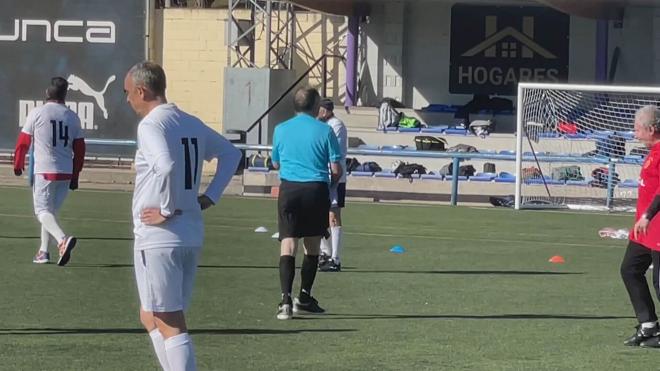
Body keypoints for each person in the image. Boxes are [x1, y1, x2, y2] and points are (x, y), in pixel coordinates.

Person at [124, 61, 241, 370]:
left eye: (127, 93)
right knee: (151, 315)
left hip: (160, 235)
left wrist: (165, 209)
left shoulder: (151, 125)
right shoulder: (189, 121)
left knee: (170, 320)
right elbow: (232, 154)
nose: (127, 100)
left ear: (141, 90)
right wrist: (210, 196)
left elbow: (165, 165)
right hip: (189, 232)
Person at [271, 87, 342, 320]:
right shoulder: (325, 131)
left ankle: (284, 301)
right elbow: (336, 169)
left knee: (288, 243)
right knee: (312, 245)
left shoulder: (280, 129)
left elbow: (275, 164)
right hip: (316, 189)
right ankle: (304, 296)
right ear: (315, 106)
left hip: (289, 189)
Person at [13, 77, 85, 266]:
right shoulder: (72, 116)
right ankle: (43, 252)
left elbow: (23, 141)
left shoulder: (37, 112)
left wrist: (18, 164)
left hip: (45, 170)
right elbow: (80, 149)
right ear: (65, 94)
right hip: (66, 172)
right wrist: (76, 175)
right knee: (50, 212)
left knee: (42, 211)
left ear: (47, 93)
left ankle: (62, 240)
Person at [621, 105, 660, 348]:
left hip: (657, 229)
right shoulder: (651, 151)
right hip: (644, 232)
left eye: (638, 129)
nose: (634, 133)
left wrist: (647, 215)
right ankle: (648, 325)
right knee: (629, 270)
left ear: (651, 129)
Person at [317, 98, 347, 272]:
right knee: (318, 214)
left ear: (325, 111)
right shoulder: (322, 125)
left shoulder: (336, 125)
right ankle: (325, 252)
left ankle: (335, 257)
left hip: (335, 177)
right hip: (322, 176)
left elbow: (331, 151)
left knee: (333, 215)